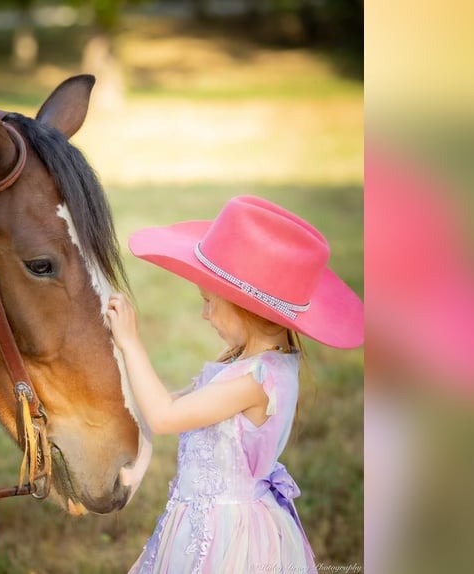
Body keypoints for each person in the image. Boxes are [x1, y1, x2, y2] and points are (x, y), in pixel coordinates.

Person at [106, 195, 363, 574]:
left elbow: (165, 416)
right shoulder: (249, 365)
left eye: (209, 301)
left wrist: (130, 342)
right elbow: (171, 404)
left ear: (248, 309)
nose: (204, 313)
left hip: (225, 539)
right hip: (200, 521)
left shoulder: (254, 382)